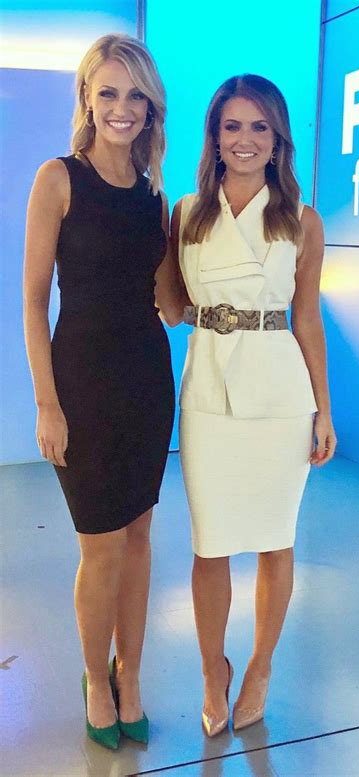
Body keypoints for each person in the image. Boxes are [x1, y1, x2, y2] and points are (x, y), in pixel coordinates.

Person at [167, 74, 337, 736]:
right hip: (209, 390)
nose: (245, 140)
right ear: (214, 137)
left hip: (280, 393)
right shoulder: (184, 214)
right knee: (210, 544)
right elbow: (170, 299)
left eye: (259, 127)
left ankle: (261, 664)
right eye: (232, 126)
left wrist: (324, 409)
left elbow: (308, 320)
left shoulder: (302, 221)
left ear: (278, 140)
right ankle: (215, 668)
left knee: (275, 538)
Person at [23, 34, 179, 749]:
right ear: (87, 97)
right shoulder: (57, 179)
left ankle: (133, 673)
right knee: (101, 546)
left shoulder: (156, 198)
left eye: (135, 95)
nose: (122, 107)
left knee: (140, 536)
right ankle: (94, 677)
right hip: (81, 381)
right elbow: (31, 301)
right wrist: (46, 402)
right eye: (108, 92)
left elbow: (170, 302)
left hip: (147, 378)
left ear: (151, 108)